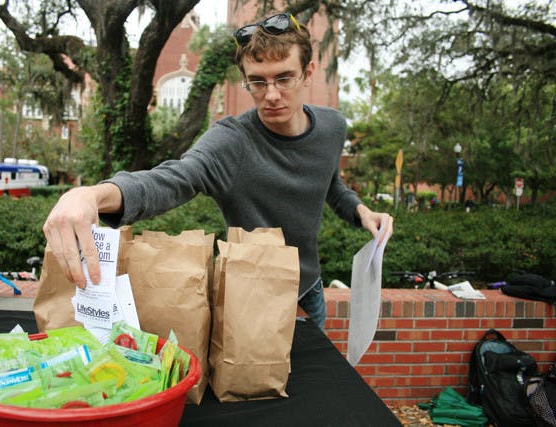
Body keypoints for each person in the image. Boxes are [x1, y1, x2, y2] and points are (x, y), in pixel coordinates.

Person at [43, 12, 393, 330]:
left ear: (308, 73)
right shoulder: (231, 141)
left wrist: (362, 212)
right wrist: (92, 195)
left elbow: (330, 183)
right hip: (249, 298)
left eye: (284, 78)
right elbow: (175, 178)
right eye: (257, 82)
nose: (271, 95)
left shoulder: (332, 126)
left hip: (310, 292)